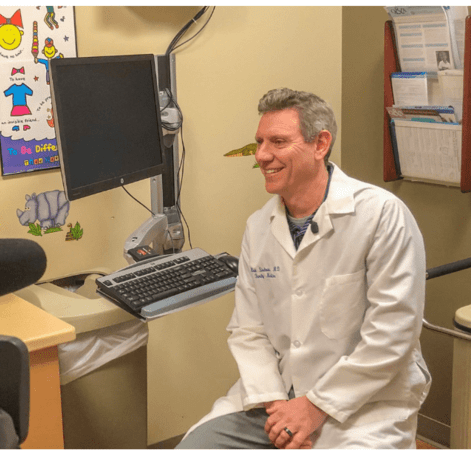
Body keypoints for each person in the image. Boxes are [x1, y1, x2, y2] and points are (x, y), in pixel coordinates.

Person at [177, 88, 431, 449]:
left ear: (320, 144)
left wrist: (314, 407)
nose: (263, 155)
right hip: (276, 398)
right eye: (260, 142)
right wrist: (279, 407)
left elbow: (393, 336)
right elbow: (249, 331)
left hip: (364, 404)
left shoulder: (381, 216)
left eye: (278, 142)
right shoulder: (259, 226)